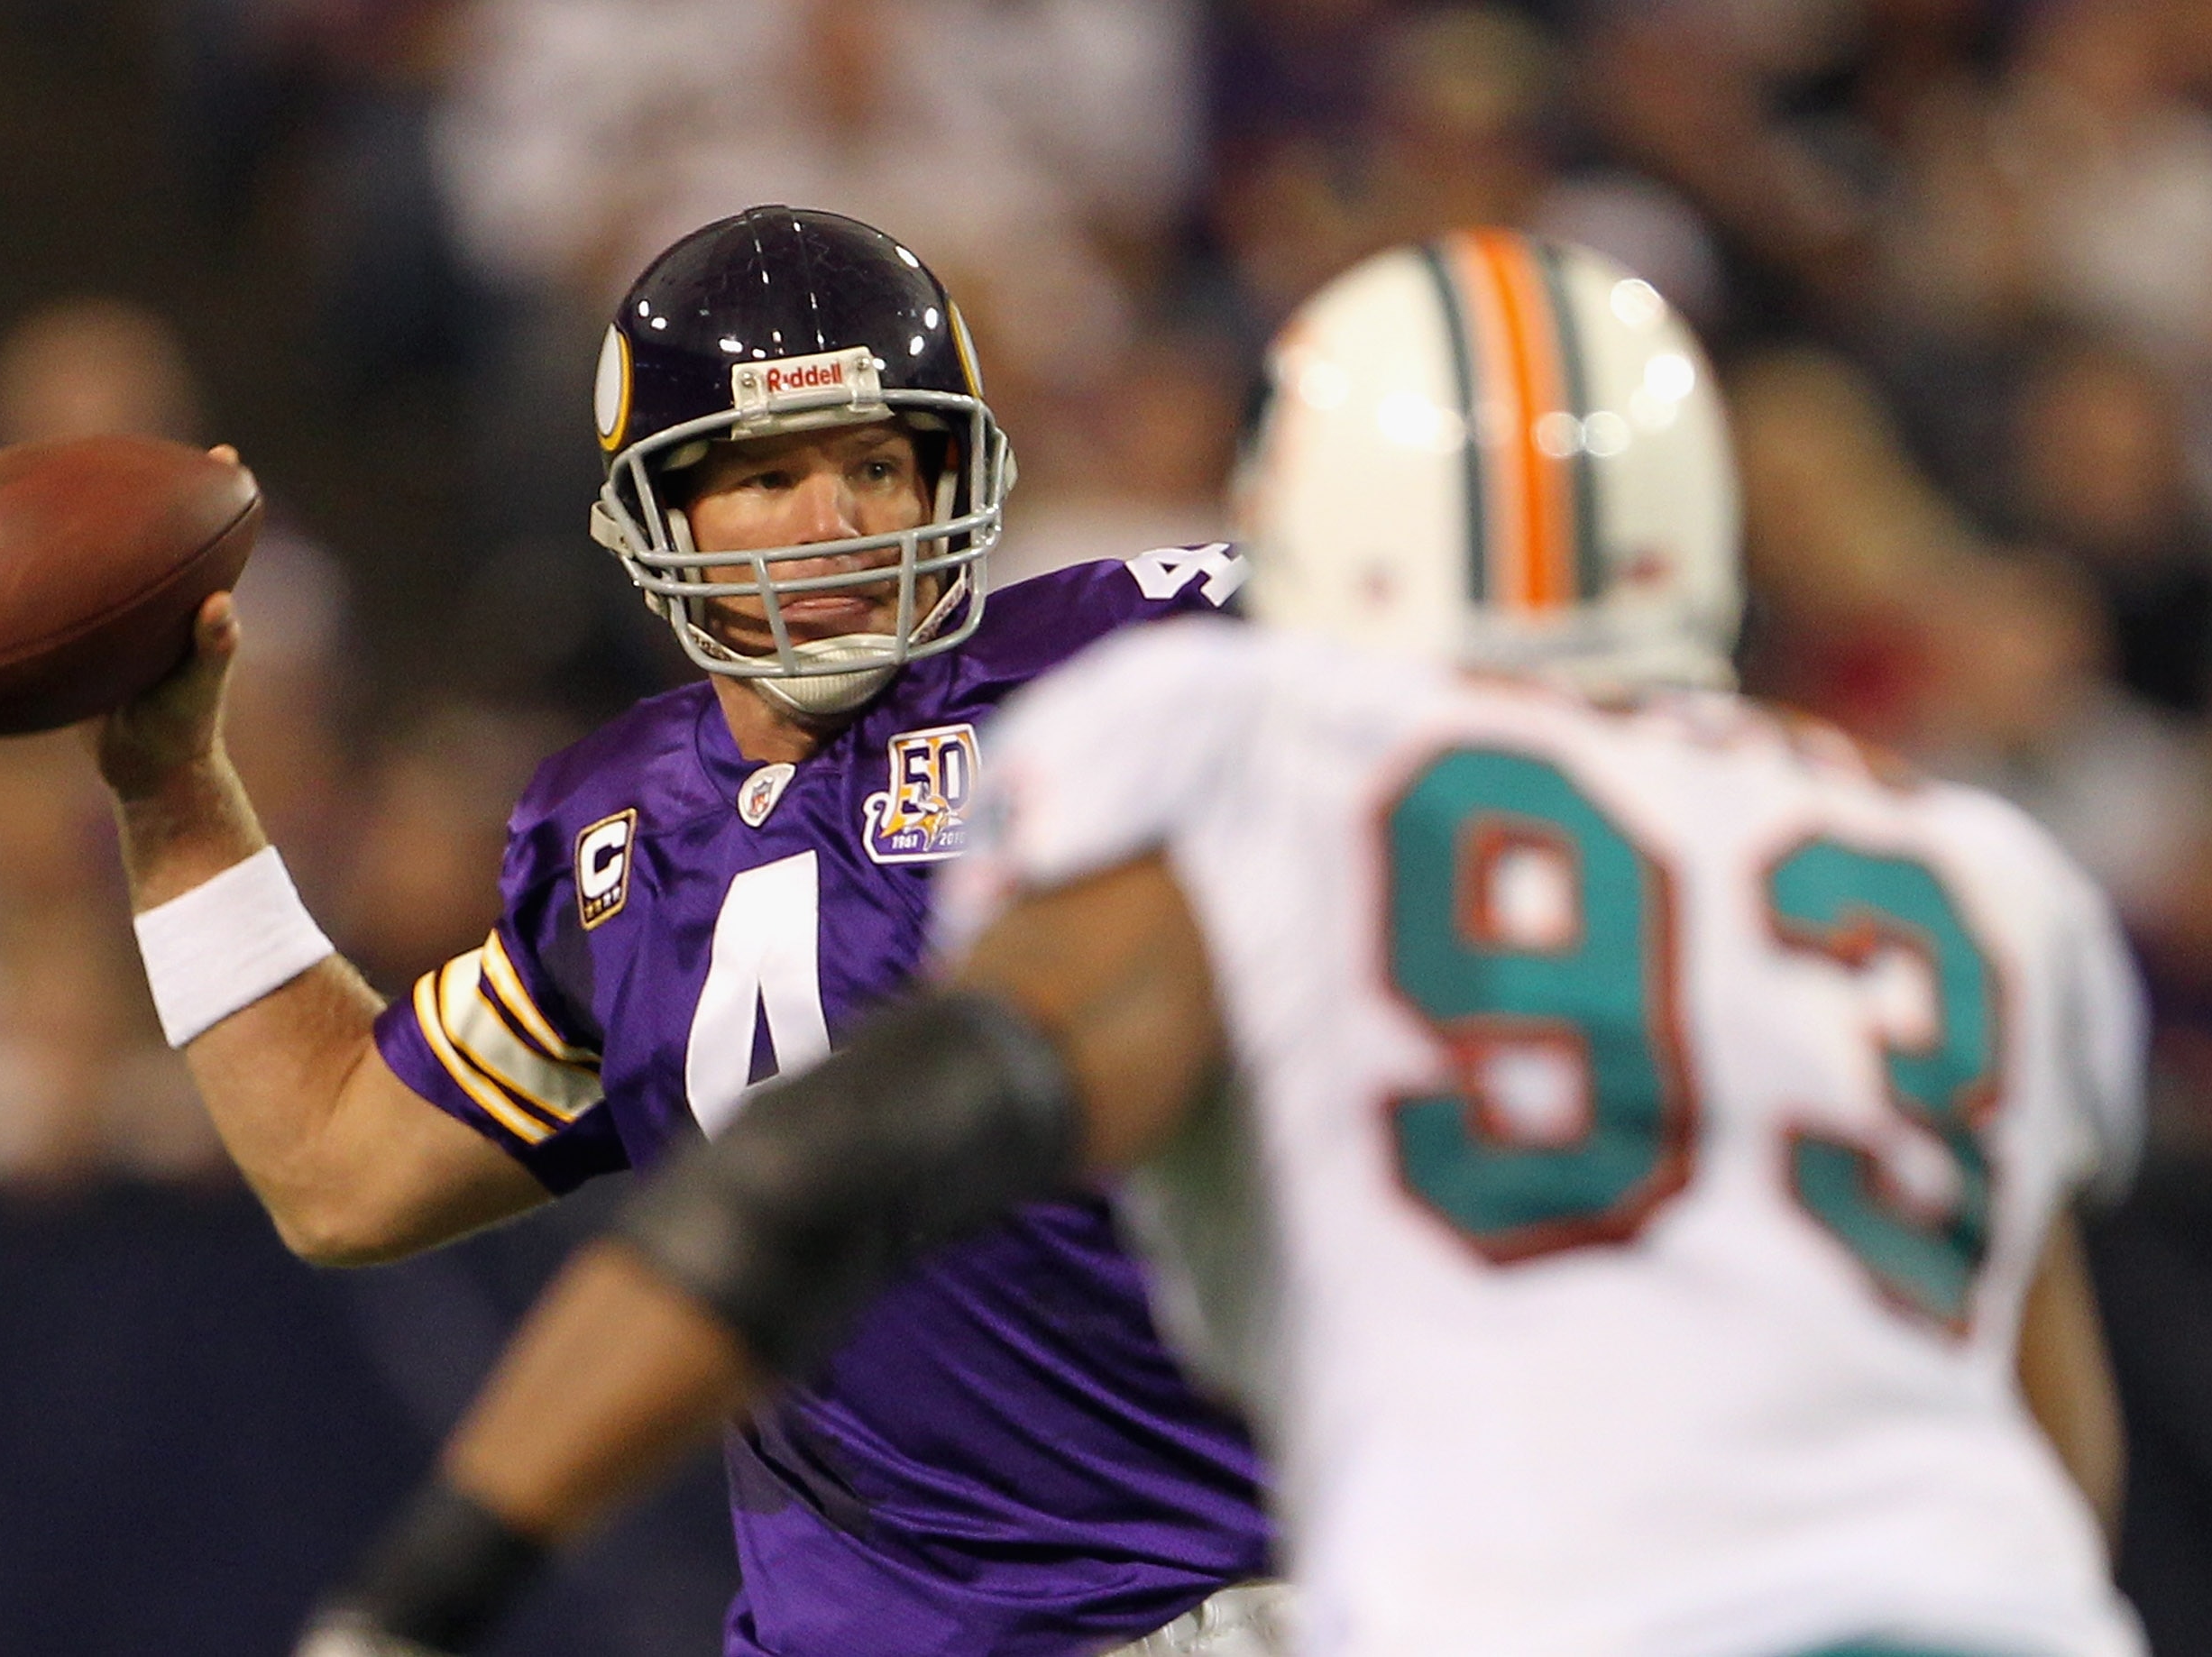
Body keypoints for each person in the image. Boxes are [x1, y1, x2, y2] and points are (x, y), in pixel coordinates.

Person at [296, 231, 2146, 1657]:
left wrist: (425, 1588)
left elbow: (833, 1167)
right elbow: (2050, 1447)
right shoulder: (1966, 871)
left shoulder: (1226, 747)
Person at [96, 206, 1277, 1656]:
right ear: (658, 512)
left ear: (948, 475)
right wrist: (172, 797)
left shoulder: (1115, 679)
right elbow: (338, 1168)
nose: (834, 522)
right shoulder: (621, 830)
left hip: (1213, 1607)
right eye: (768, 475)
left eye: (874, 465)